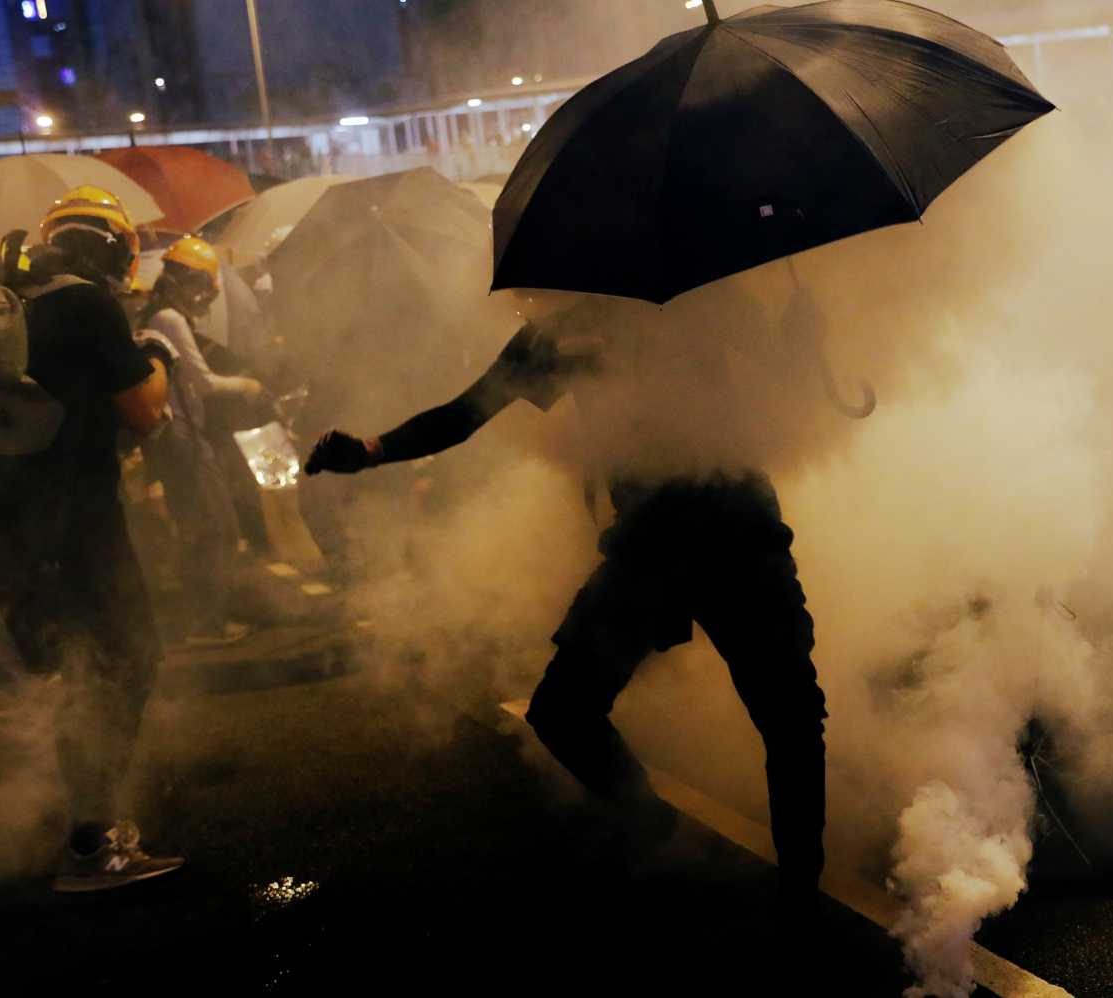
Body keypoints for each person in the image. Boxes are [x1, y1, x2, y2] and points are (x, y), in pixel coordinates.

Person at [305, 292, 828, 912]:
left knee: (790, 718)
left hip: (738, 536)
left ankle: (800, 894)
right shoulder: (571, 333)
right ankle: (659, 829)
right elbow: (467, 412)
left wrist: (801, 338)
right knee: (563, 712)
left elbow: (790, 386)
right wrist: (372, 450)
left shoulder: (711, 303)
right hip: (650, 545)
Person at [0, 186, 182, 891]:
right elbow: (147, 412)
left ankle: (86, 831)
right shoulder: (87, 306)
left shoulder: (11, 301)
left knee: (80, 669)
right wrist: (154, 352)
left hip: (5, 530)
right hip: (77, 526)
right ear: (115, 249)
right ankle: (92, 846)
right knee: (124, 662)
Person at [137, 236, 264, 643]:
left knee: (210, 525)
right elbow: (202, 383)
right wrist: (245, 386)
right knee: (214, 527)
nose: (207, 299)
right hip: (184, 437)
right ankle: (206, 625)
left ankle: (207, 619)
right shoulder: (169, 320)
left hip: (183, 435)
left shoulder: (161, 315)